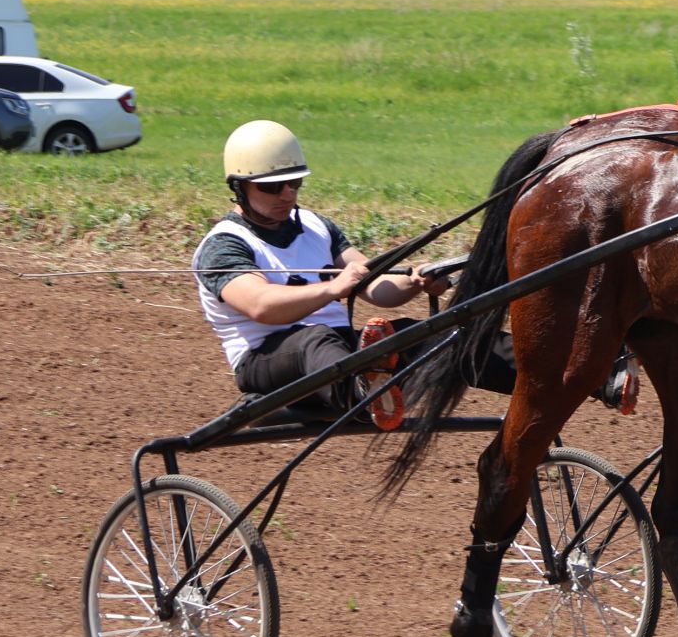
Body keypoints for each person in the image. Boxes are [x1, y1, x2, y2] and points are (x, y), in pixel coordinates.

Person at [192, 121, 635, 429]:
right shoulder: (224, 244)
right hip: (270, 365)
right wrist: (335, 285)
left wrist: (413, 282)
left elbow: (373, 285)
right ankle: (364, 392)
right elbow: (260, 306)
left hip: (348, 355)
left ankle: (585, 375)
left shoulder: (316, 226)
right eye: (273, 186)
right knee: (315, 340)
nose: (287, 194)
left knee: (446, 336)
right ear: (239, 187)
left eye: (295, 183)